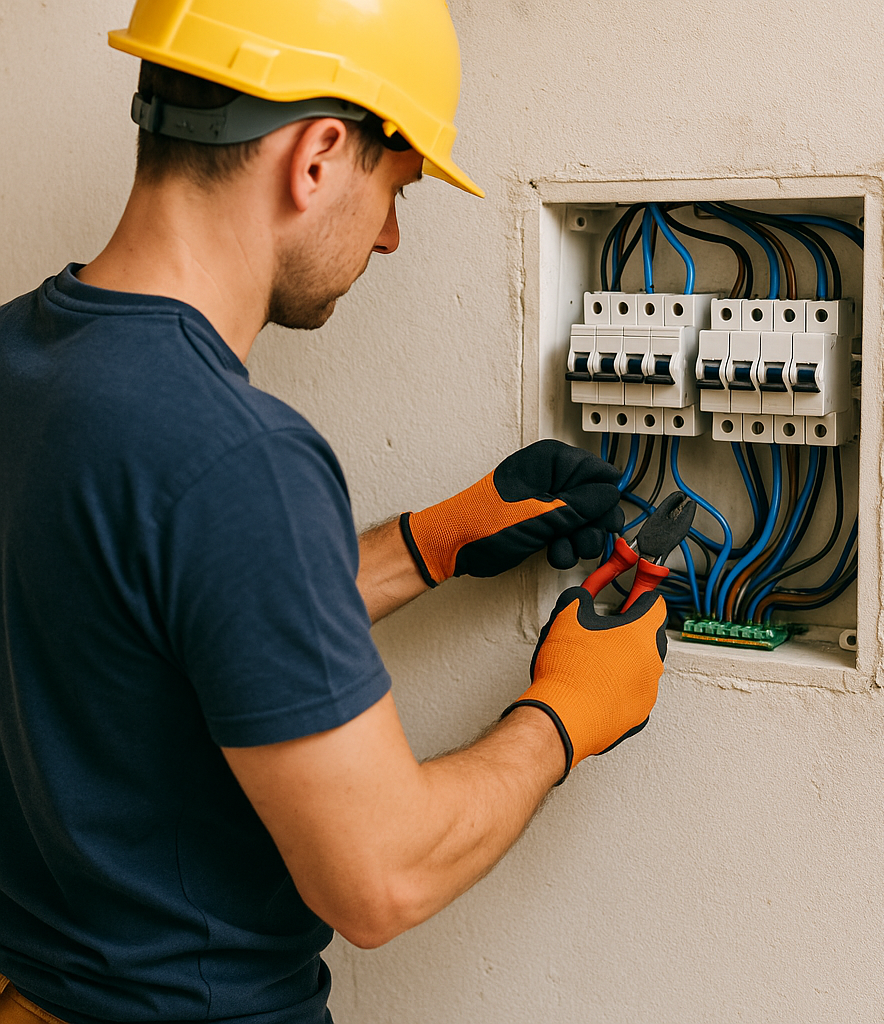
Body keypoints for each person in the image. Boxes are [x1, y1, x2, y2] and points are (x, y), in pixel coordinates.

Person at [0, 2, 668, 1023]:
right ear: (316, 156)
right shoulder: (237, 454)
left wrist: (429, 544)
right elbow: (381, 875)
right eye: (395, 186)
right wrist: (568, 711)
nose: (393, 235)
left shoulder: (24, 360)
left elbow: (151, 626)